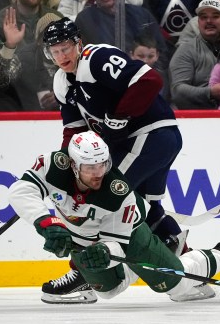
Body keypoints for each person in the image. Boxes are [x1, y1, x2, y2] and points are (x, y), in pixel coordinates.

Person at [37, 17, 200, 303]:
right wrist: (67, 165)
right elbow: (74, 129)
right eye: (55, 51)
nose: (61, 56)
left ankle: (83, 276)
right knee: (146, 209)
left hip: (149, 137)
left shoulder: (97, 58)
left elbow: (150, 80)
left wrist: (121, 115)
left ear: (78, 44)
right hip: (149, 142)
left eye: (65, 48)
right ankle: (192, 270)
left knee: (98, 198)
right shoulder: (62, 82)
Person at [8, 131, 220, 303]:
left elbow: (119, 243)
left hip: (132, 236)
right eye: (90, 167)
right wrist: (45, 223)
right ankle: (141, 266)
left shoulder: (118, 192)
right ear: (73, 165)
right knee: (109, 291)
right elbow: (21, 191)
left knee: (176, 285)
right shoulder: (54, 165)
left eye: (102, 165)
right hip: (82, 239)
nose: (98, 173)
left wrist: (105, 253)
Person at [74, 0, 169, 71]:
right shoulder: (85, 19)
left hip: (143, 76)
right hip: (107, 78)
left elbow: (162, 51)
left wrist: (149, 73)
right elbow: (80, 57)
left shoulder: (141, 14)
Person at [128, 31, 171, 105]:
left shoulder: (164, 78)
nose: (145, 61)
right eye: (140, 56)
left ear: (157, 56)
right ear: (132, 55)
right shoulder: (122, 76)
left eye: (150, 56)